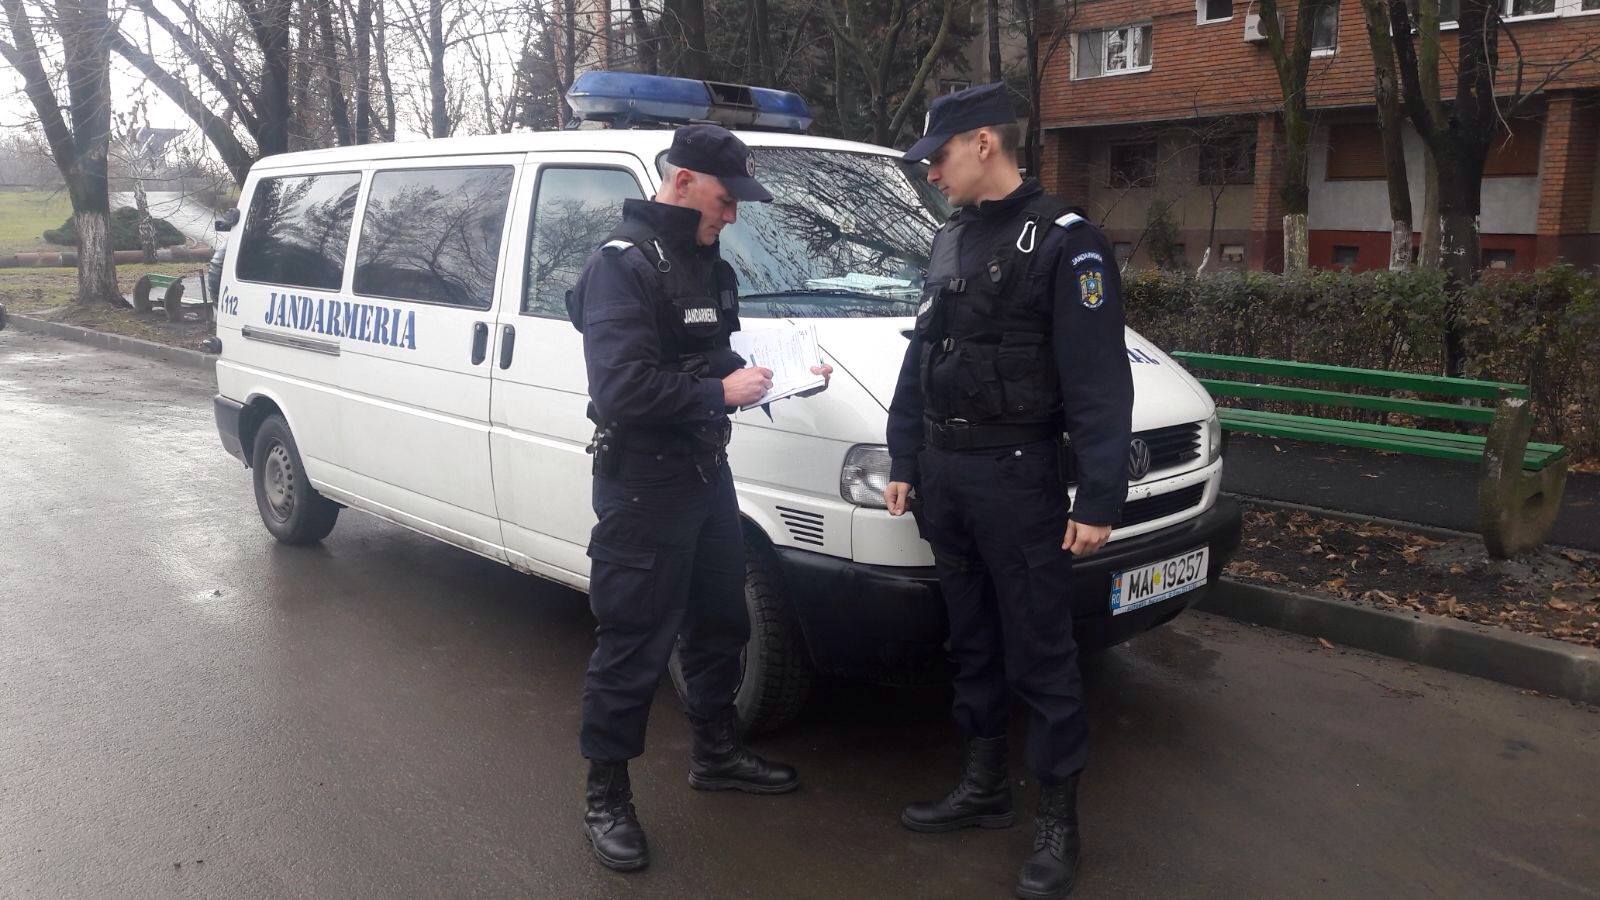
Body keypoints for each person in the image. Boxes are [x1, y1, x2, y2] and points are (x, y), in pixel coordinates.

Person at [883, 83, 1134, 900]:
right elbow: (922, 355)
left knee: (1041, 652)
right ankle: (984, 786)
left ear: (983, 143)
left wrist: (1098, 499)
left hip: (1018, 478)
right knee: (972, 642)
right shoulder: (952, 236)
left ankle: (1058, 824)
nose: (931, 174)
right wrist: (904, 457)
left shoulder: (1066, 242)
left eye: (939, 157)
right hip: (947, 477)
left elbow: (1099, 383)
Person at [565, 123, 832, 873]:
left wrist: (782, 375)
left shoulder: (708, 264)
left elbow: (713, 355)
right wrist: (720, 392)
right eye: (725, 198)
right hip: (644, 484)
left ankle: (716, 754)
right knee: (632, 642)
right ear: (682, 182)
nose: (733, 213)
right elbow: (620, 389)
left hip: (707, 474)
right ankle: (606, 797)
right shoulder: (621, 265)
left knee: (720, 622)